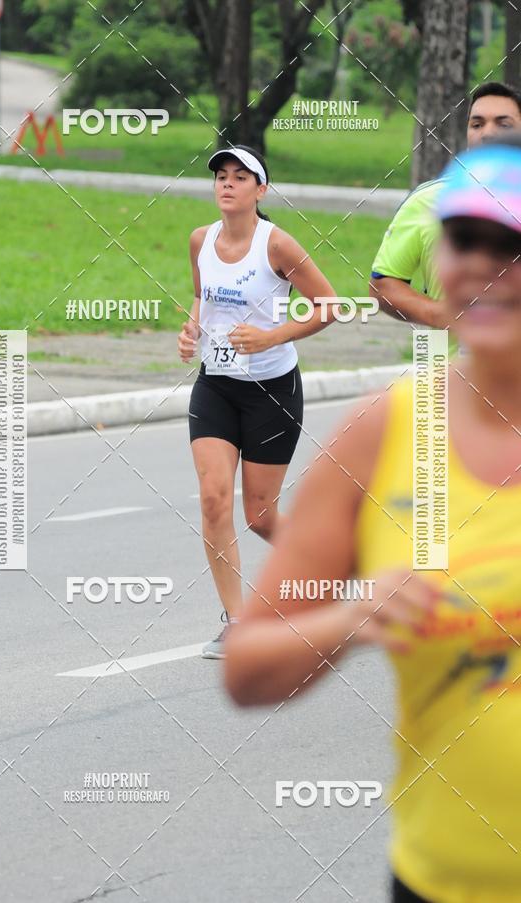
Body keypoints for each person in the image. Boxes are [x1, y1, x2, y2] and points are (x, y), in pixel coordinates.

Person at [225, 137, 521, 902]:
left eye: (509, 243)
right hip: (443, 883)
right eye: (463, 239)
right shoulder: (385, 432)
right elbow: (249, 663)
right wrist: (355, 615)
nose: (481, 264)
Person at [178, 144, 337, 659]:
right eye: (221, 176)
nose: (227, 183)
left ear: (259, 190)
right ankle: (236, 620)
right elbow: (203, 298)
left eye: (239, 177)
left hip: (272, 390)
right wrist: (191, 331)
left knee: (261, 515)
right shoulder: (200, 240)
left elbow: (328, 305)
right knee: (212, 498)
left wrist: (273, 337)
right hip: (216, 386)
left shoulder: (278, 246)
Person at [370, 81, 521, 327]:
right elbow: (383, 285)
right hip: (442, 358)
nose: (488, 133)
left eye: (504, 124)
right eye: (477, 124)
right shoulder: (428, 199)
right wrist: (440, 315)